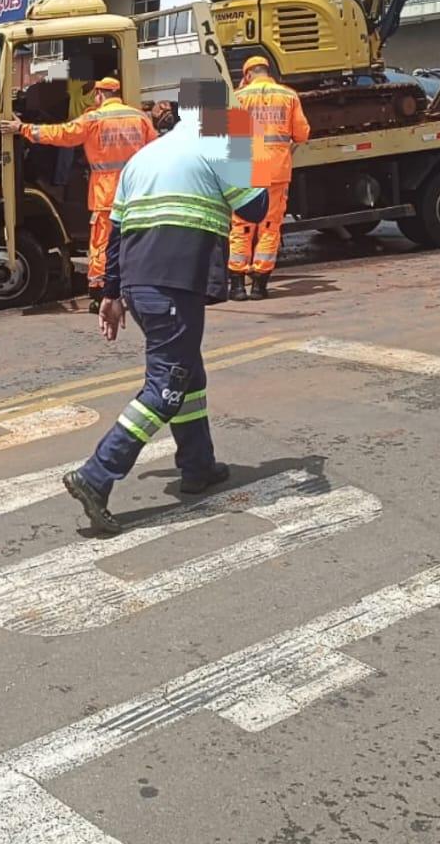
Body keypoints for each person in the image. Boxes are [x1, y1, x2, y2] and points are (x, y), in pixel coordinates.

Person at [61, 104, 269, 535]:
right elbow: (256, 207)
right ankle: (97, 474)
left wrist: (111, 295)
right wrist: (248, 149)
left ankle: (197, 466)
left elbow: (116, 236)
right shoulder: (218, 146)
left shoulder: (144, 158)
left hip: (141, 286)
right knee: (168, 384)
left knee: (188, 374)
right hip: (174, 283)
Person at [1, 76, 156, 311]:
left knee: (103, 244)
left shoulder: (94, 118)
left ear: (100, 95)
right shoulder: (140, 117)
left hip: (106, 194)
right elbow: (155, 149)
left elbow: (62, 134)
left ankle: (99, 292)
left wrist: (22, 129)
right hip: (138, 191)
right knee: (137, 240)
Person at [228, 55, 310, 301]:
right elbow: (302, 133)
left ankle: (237, 287)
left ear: (247, 74)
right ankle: (260, 287)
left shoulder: (237, 97)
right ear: (267, 71)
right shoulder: (288, 95)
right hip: (276, 170)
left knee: (241, 226)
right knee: (269, 226)